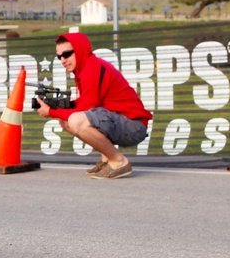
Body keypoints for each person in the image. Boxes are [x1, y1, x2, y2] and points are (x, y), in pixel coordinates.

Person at [34, 30, 152, 179]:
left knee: (77, 120)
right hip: (123, 121)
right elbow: (86, 103)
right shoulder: (86, 68)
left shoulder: (91, 68)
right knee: (65, 120)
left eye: (67, 54)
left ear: (80, 49)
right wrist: (59, 106)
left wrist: (50, 111)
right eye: (59, 57)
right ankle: (107, 159)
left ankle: (118, 161)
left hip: (133, 126)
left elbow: (86, 108)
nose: (63, 60)